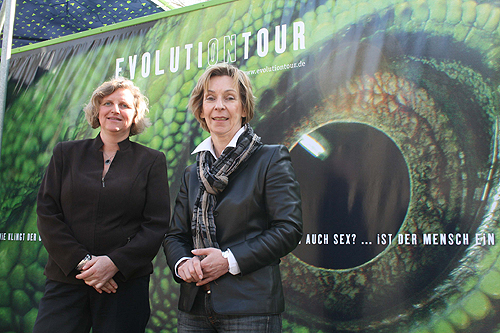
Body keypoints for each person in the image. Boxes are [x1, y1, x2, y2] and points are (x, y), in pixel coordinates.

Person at [163, 63, 303, 332]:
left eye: (229, 98)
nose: (219, 106)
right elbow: (174, 236)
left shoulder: (271, 158)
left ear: (244, 107)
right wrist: (183, 264)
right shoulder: (192, 173)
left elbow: (288, 229)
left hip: (250, 309)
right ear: (201, 109)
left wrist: (228, 260)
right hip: (194, 309)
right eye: (210, 98)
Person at [33, 78, 170, 333]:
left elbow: (156, 224)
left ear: (136, 114)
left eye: (124, 105)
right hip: (68, 279)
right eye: (108, 103)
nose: (115, 110)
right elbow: (47, 212)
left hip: (123, 285)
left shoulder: (151, 161)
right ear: (97, 110)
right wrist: (85, 263)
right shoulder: (66, 154)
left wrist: (113, 264)